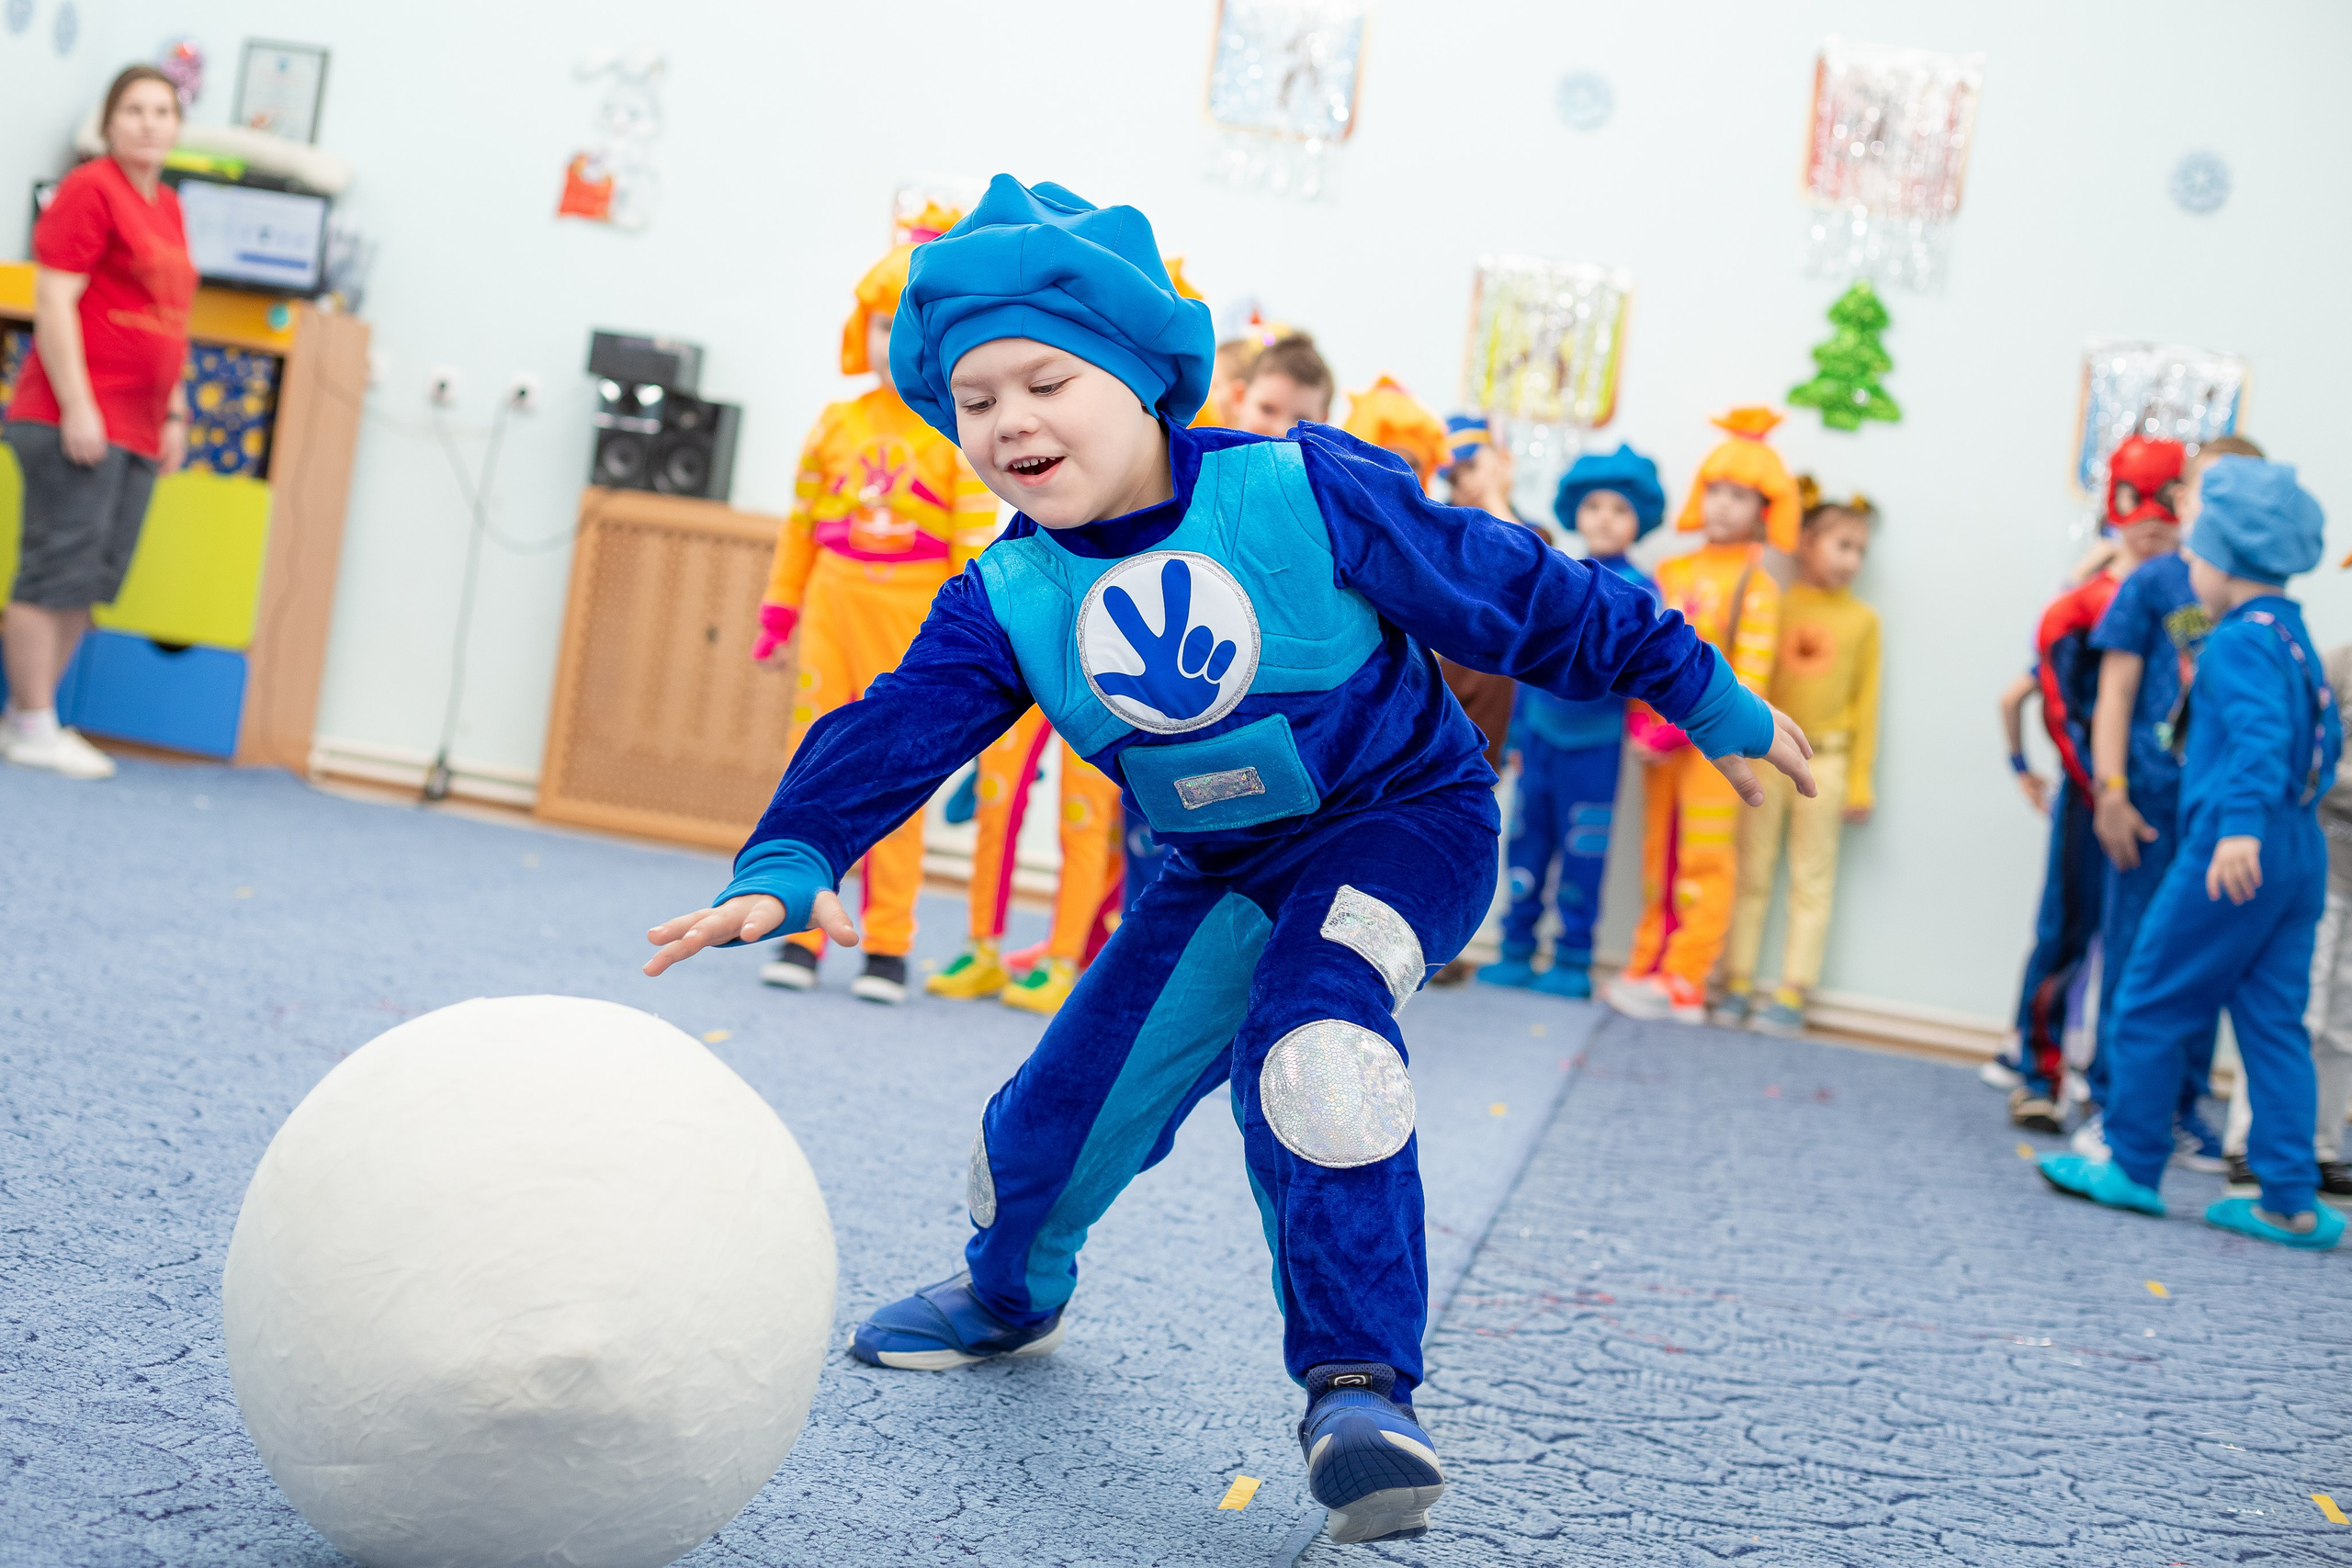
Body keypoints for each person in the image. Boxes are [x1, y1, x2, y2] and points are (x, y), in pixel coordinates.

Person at [639, 175, 1815, 1545]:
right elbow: (893, 724)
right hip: (1216, 868)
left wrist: (1705, 687)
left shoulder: (1298, 489)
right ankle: (1012, 1291)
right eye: (975, 399)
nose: (1011, 418)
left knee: (1316, 1042)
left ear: (1142, 381)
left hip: (1403, 820)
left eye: (1046, 379)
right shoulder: (1012, 595)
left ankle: (1361, 1388)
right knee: (1049, 1123)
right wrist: (788, 857)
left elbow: (1518, 586)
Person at [2039, 457, 2342, 1249]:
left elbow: (2260, 740)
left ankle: (2133, 1162)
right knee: (2274, 1023)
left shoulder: (2238, 641)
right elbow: (2323, 735)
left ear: (2227, 563)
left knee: (2149, 995)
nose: (2189, 568)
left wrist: (2240, 826)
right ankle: (2288, 1197)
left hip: (2232, 845)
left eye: (2198, 554)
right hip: (2299, 848)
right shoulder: (2297, 636)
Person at [748, 212, 1001, 1004]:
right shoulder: (835, 423)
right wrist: (780, 608)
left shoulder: (954, 434)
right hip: (835, 604)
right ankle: (796, 931)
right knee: (816, 766)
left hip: (913, 617)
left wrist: (982, 642)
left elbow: (973, 550)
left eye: (911, 325)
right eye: (884, 321)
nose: (894, 338)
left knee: (898, 773)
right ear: (866, 328)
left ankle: (888, 942)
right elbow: (799, 528)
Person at [2078, 435, 2265, 1167]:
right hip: (2149, 802)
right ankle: (2110, 1098)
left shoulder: (2257, 600)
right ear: (2182, 499)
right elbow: (2116, 692)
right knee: (2133, 952)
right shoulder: (2154, 582)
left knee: (2206, 962)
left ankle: (2181, 1107)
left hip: (2220, 813)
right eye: (2205, 490)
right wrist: (2111, 790)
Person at [2, 66, 192, 780]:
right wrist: (79, 403)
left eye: (162, 111)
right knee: (54, 566)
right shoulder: (92, 189)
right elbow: (55, 305)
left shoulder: (168, 206)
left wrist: (173, 408)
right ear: (108, 124)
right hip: (74, 417)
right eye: (133, 109)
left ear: (178, 127)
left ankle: (36, 715)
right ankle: (31, 720)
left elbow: (173, 319)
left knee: (91, 576)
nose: (148, 122)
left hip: (140, 426)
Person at [1994, 460, 2187, 1134]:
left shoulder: (2190, 604)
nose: (2156, 518)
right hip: (2092, 794)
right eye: (2143, 501)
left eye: (2171, 500)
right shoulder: (2079, 603)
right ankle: (2038, 1070)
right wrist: (2094, 787)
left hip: (2162, 799)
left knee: (2145, 948)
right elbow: (2049, 700)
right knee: (2069, 931)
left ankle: (2116, 1091)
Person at [1604, 408, 1795, 1023]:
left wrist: (1680, 727)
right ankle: (1647, 962)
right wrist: (1644, 724)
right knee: (1659, 853)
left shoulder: (1758, 585)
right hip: (1659, 740)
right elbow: (1645, 654)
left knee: (1705, 857)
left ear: (1762, 508)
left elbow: (1751, 681)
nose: (1722, 505)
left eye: (1739, 495)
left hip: (1717, 751)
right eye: (1715, 490)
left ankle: (1687, 977)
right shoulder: (1673, 571)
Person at [1480, 444, 1665, 999]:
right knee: (1527, 843)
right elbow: (1528, 658)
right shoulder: (1559, 574)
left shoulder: (1641, 591)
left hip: (1596, 742)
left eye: (1619, 509)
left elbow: (1644, 666)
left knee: (1585, 850)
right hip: (1539, 735)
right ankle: (1515, 948)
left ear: (1640, 520)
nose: (1604, 518)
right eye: (1594, 507)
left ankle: (1574, 957)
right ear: (1575, 512)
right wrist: (1514, 736)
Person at [1721, 484, 1882, 1034]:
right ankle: (1737, 978)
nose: (1852, 560)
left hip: (1828, 761)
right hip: (1768, 754)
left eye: (1861, 551)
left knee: (1813, 876)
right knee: (1751, 867)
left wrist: (1859, 782)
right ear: (1806, 543)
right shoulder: (1778, 603)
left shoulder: (1864, 622)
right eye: (1842, 545)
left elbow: (1867, 705)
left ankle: (1793, 990)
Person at [2222, 634, 2352, 1209]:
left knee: (2344, 1020)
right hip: (2321, 859)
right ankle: (2255, 1141)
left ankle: (2319, 1146)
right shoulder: (2335, 663)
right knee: (2297, 1006)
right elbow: (2305, 757)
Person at [925, 709, 1125, 1015]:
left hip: (1102, 681)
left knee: (1082, 817)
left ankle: (1062, 960)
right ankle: (982, 949)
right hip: (1033, 664)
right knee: (996, 800)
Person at [1226, 332, 1334, 438]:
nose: (1280, 431)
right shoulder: (1211, 452)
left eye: (1301, 421)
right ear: (1239, 397)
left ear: (1322, 424)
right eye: (1267, 409)